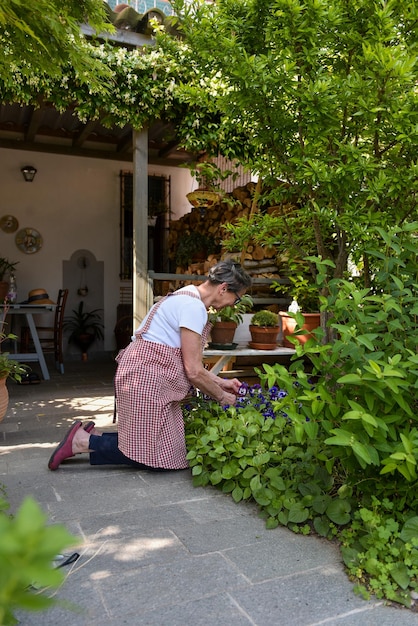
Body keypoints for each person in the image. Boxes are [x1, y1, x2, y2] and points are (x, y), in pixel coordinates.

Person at [48, 259, 252, 472]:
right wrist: (222, 397)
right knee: (156, 457)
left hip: (144, 375)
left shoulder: (184, 295)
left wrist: (222, 382)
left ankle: (93, 437)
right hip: (145, 380)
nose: (232, 305)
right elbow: (192, 370)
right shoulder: (193, 307)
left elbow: (189, 364)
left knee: (168, 449)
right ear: (223, 288)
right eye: (236, 299)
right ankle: (82, 442)